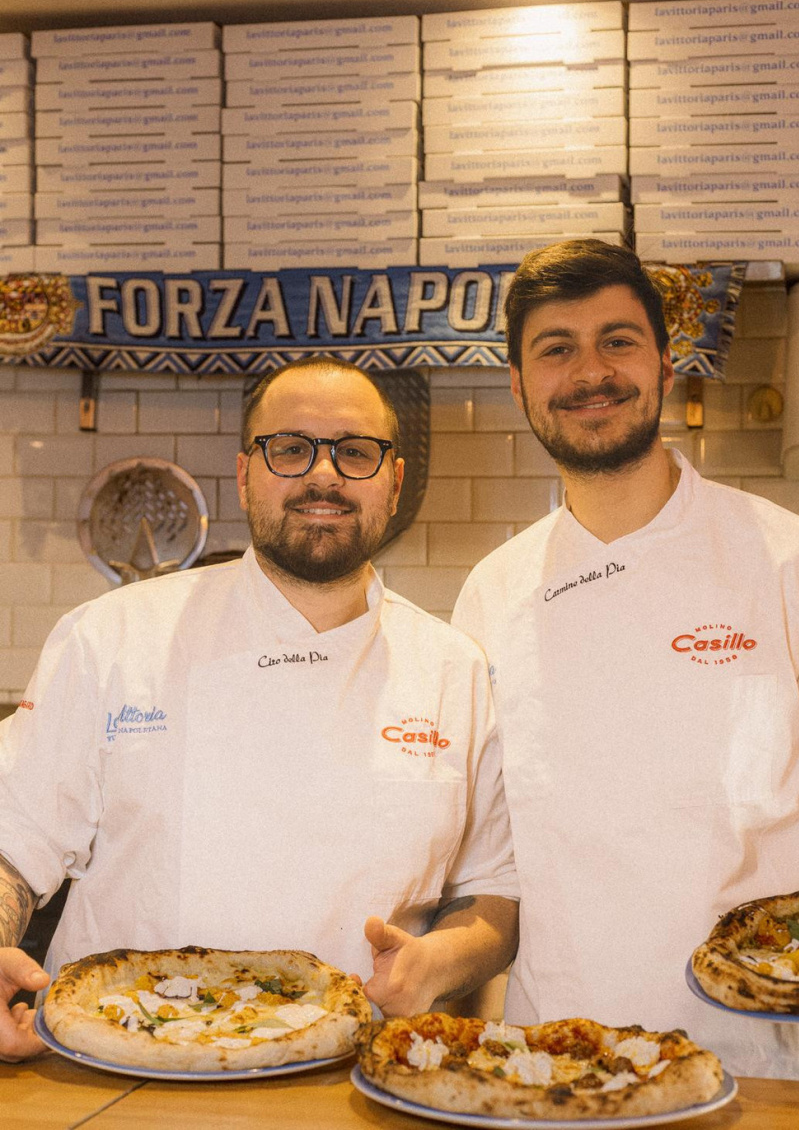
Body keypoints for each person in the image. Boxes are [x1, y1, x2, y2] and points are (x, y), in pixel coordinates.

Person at [0, 356, 518, 1061]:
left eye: (355, 452)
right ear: (246, 475)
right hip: (118, 1065)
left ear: (394, 485)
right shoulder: (111, 636)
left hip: (354, 1077)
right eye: (291, 448)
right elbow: (13, 844)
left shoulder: (455, 670)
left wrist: (443, 961)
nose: (324, 474)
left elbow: (492, 893)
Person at [452, 239, 799, 1080]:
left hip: (762, 1065)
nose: (592, 371)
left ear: (664, 361)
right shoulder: (491, 593)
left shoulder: (794, 563)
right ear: (518, 385)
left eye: (617, 341)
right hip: (558, 1059)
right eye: (557, 349)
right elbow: (492, 857)